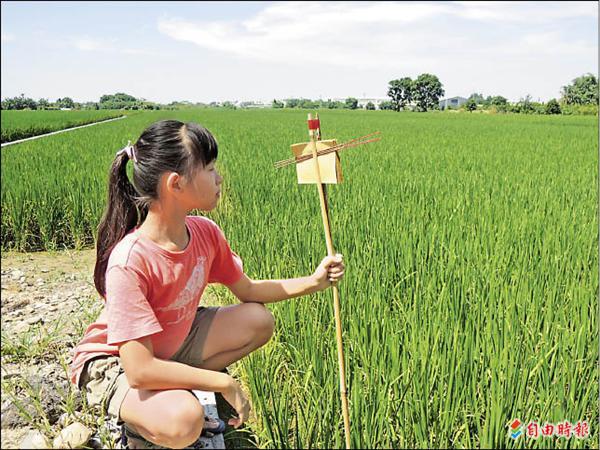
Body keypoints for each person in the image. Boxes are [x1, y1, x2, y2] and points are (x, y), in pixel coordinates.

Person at [69, 119, 345, 449]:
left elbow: (249, 291)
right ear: (176, 184)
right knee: (185, 420)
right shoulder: (131, 261)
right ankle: (139, 428)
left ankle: (167, 391)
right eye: (210, 168)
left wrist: (314, 281)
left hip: (168, 343)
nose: (219, 177)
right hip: (115, 364)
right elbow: (139, 369)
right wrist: (221, 383)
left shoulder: (204, 233)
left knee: (259, 321)